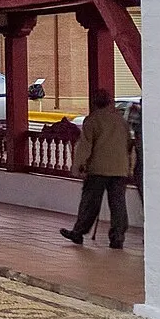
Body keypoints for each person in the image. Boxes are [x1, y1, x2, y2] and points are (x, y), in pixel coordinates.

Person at [60, 89, 135, 249]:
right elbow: (129, 144)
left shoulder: (92, 120)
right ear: (109, 102)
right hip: (119, 168)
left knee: (90, 202)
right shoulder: (120, 121)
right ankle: (118, 237)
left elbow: (85, 146)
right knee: (118, 204)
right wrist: (129, 166)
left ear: (94, 102)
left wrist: (78, 166)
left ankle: (79, 232)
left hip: (98, 169)